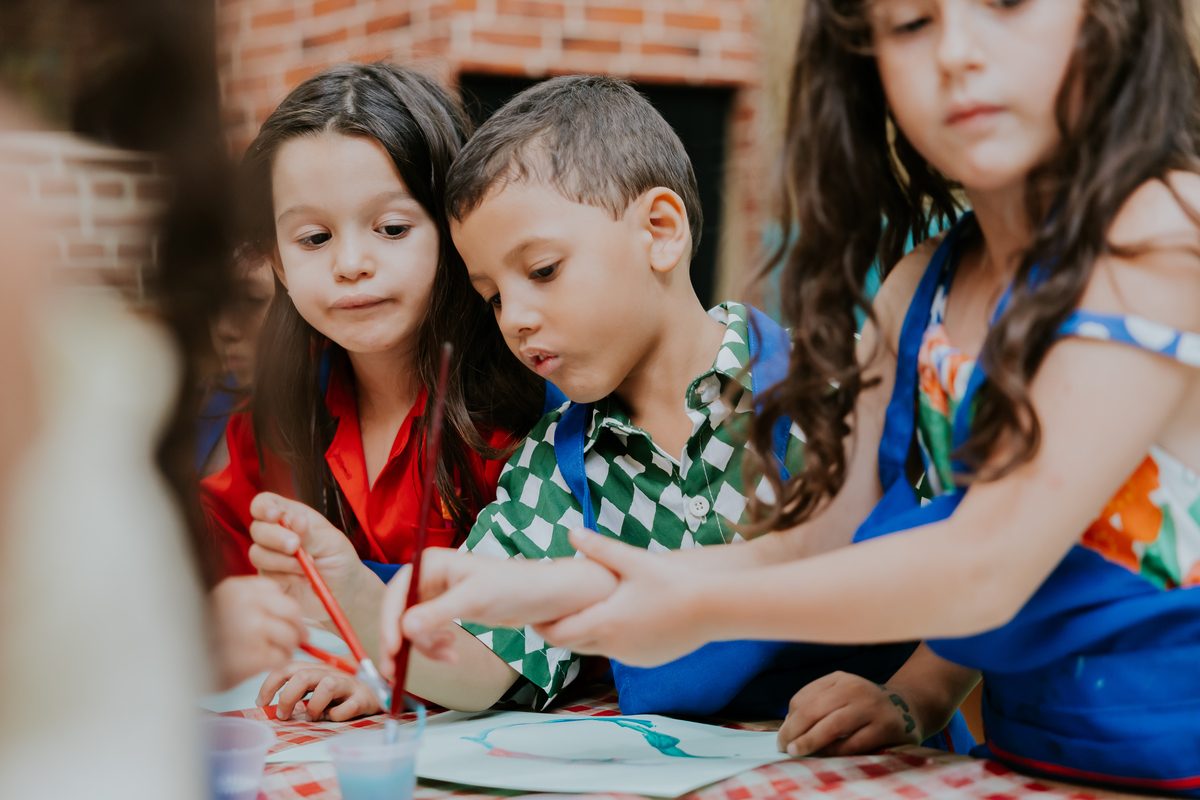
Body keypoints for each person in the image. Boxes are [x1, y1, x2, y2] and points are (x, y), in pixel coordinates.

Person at [385, 0, 1200, 789]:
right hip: (1035, 769)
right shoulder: (921, 288)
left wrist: (691, 603)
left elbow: (985, 563)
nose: (955, 52)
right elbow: (815, 536)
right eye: (911, 22)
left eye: (1008, 4)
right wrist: (571, 589)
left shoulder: (1164, 234)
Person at [283, 73, 975, 749]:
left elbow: (976, 543)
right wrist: (358, 598)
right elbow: (480, 665)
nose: (516, 318)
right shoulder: (553, 468)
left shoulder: (836, 385)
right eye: (493, 296)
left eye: (544, 270)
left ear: (661, 230)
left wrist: (916, 694)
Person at [205, 61, 543, 719]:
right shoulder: (275, 425)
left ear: (453, 230)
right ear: (276, 257)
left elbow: (523, 644)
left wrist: (390, 678)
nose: (351, 263)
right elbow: (210, 575)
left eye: (391, 228)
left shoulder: (525, 409)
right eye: (313, 237)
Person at [196, 250, 275, 478]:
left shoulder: (341, 412)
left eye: (253, 299)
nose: (224, 328)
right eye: (213, 303)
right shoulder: (211, 402)